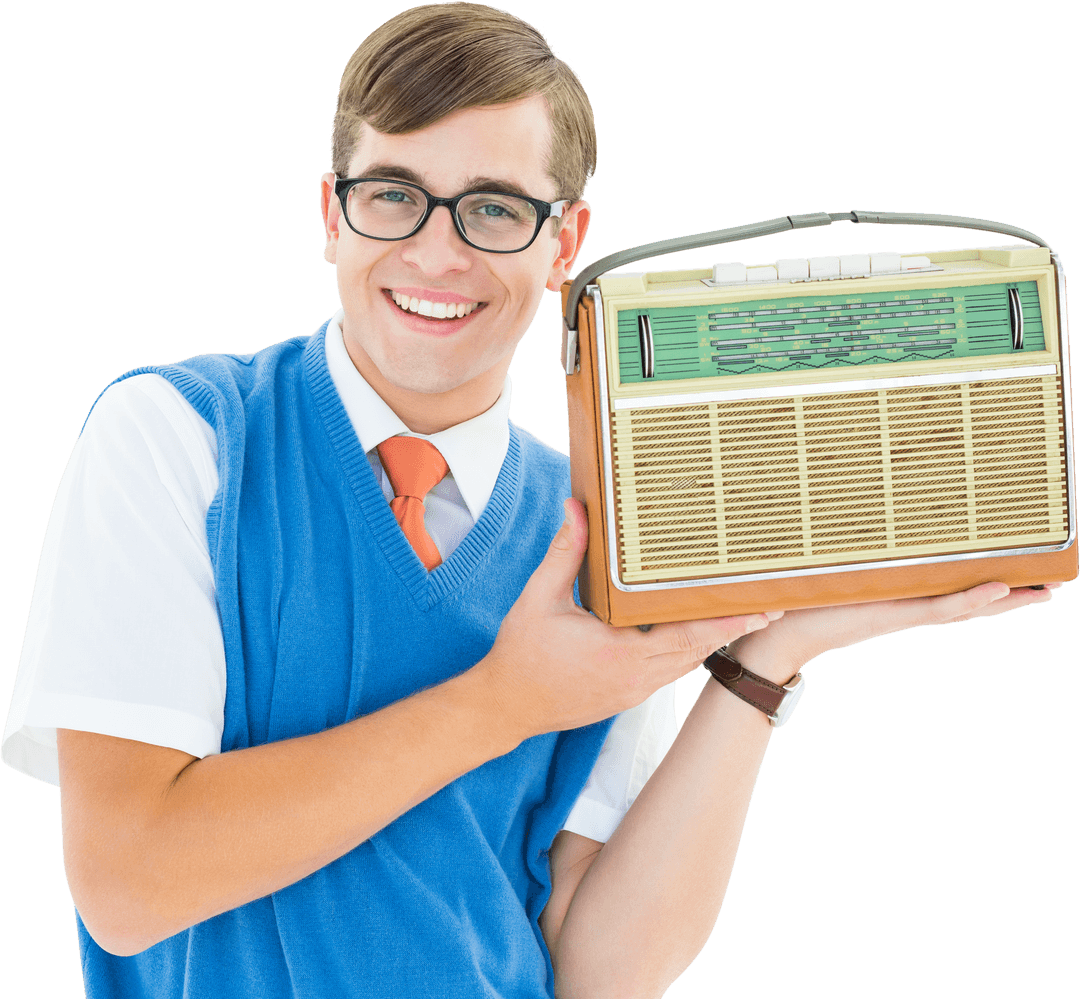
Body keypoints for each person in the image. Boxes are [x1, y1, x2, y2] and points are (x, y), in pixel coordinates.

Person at [0, 4, 1062, 998]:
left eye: (496, 209)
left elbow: (599, 970)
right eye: (392, 194)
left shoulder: (602, 525)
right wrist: (504, 700)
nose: (435, 248)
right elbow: (128, 885)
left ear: (563, 246)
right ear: (333, 214)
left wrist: (764, 661)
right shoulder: (178, 440)